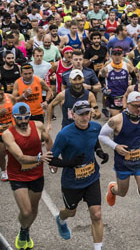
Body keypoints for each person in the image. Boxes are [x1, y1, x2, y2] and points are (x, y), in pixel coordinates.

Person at [100, 91, 140, 244]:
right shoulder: (117, 120)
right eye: (136, 106)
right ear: (128, 105)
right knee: (122, 192)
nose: (139, 109)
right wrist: (116, 147)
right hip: (123, 163)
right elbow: (101, 135)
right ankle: (113, 189)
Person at [48, 100, 109, 248]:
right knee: (70, 212)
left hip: (92, 177)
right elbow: (52, 160)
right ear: (72, 115)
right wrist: (70, 162)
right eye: (80, 114)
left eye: (87, 113)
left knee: (97, 214)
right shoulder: (64, 134)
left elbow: (94, 141)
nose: (84, 117)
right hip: (72, 182)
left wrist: (99, 152)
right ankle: (60, 220)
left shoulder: (95, 127)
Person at [2, 102, 53, 249]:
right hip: (17, 175)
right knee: (26, 211)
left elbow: (48, 140)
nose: (23, 121)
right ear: (13, 118)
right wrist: (39, 158)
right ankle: (23, 231)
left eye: (26, 117)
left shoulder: (38, 126)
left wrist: (52, 159)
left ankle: (25, 230)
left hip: (36, 174)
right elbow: (20, 157)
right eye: (19, 118)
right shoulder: (7, 134)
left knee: (33, 210)